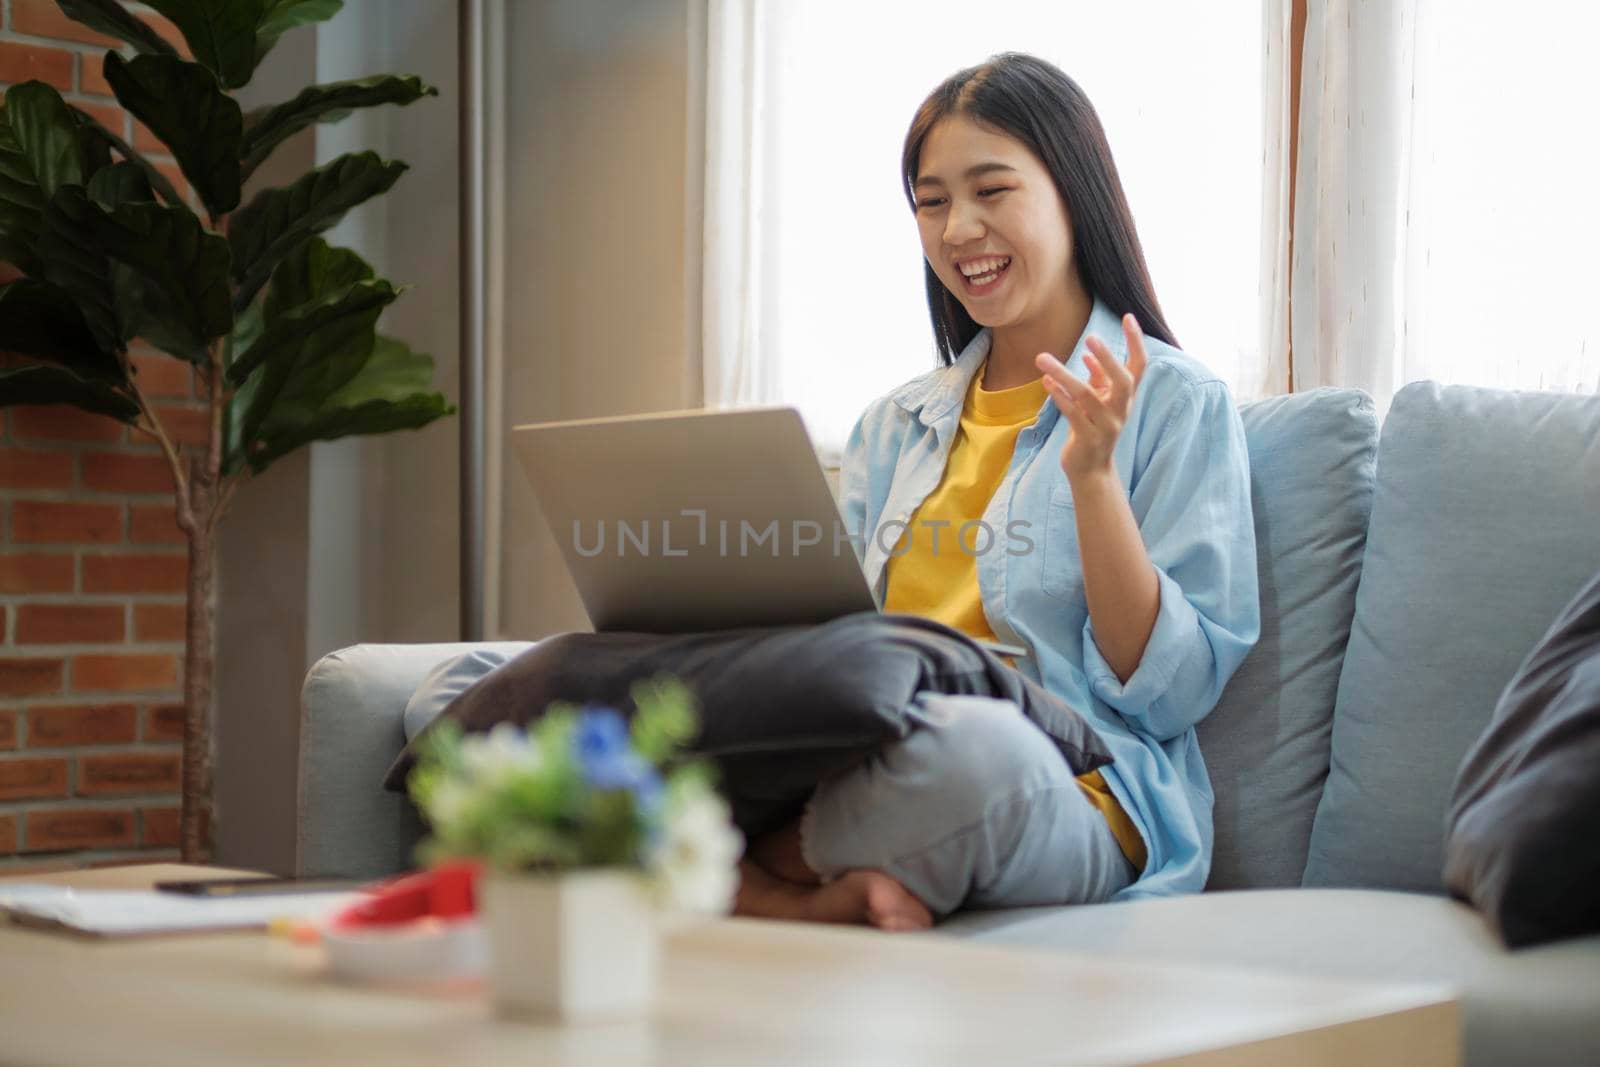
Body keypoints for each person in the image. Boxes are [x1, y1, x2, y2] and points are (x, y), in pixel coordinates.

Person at [732, 52, 1261, 930]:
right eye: (931, 202)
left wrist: (1092, 477)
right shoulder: (891, 425)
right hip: (871, 748)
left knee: (974, 758)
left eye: (991, 190)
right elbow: (841, 645)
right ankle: (801, 881)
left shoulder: (1176, 403)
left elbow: (1166, 692)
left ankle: (738, 875)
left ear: (1072, 191)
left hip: (1067, 787)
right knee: (498, 693)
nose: (958, 228)